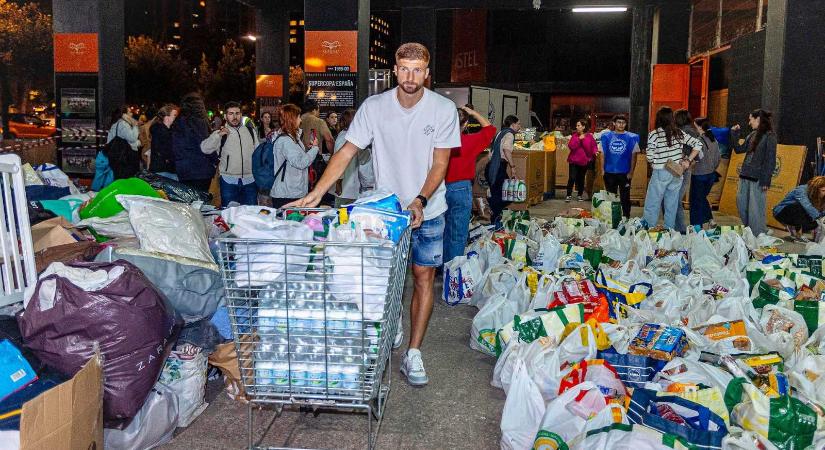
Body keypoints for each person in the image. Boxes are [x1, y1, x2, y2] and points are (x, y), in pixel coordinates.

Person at [286, 42, 461, 386]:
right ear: (396, 71)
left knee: (423, 277)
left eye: (417, 70)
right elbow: (347, 152)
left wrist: (420, 200)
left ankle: (413, 353)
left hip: (430, 208)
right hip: (386, 213)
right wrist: (316, 193)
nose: (410, 77)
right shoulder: (375, 107)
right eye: (404, 69)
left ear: (427, 73)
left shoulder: (442, 109)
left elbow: (440, 163)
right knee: (383, 279)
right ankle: (392, 320)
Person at [443, 105, 496, 263]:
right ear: (465, 124)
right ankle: (452, 268)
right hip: (461, 188)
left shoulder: (438, 142)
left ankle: (437, 267)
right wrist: (472, 112)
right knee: (457, 232)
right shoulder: (469, 141)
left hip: (437, 188)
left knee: (439, 230)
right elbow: (490, 129)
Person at [642, 106, 703, 230]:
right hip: (676, 171)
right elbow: (698, 144)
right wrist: (688, 160)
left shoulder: (654, 134)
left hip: (660, 171)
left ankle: (649, 231)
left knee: (653, 203)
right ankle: (670, 231)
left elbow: (649, 156)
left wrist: (654, 161)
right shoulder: (679, 133)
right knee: (672, 204)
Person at [201, 101, 260, 207]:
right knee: (229, 216)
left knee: (251, 216)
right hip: (228, 181)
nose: (234, 116)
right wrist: (218, 135)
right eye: (231, 113)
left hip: (250, 180)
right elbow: (205, 148)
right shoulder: (220, 133)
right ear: (225, 116)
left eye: (237, 113)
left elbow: (257, 153)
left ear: (241, 115)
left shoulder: (251, 132)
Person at [731, 109, 777, 236]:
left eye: (751, 119)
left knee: (755, 208)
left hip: (757, 178)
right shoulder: (751, 135)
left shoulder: (769, 136)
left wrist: (766, 180)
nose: (749, 122)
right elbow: (739, 149)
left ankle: (759, 233)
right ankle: (749, 231)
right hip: (745, 175)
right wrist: (735, 134)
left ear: (758, 119)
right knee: (742, 205)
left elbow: (770, 160)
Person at [269, 104, 320, 208]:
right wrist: (314, 148)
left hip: (292, 191)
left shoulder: (292, 138)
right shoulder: (286, 140)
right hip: (287, 194)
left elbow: (297, 160)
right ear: (291, 119)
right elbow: (300, 163)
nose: (300, 120)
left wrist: (309, 150)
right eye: (298, 117)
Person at [172, 92, 216, 192]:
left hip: (183, 169)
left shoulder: (177, 122)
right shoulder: (198, 121)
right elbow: (204, 145)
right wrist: (216, 160)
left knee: (188, 202)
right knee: (201, 201)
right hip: (200, 169)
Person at [330, 109, 373, 207]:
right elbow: (363, 159)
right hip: (346, 187)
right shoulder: (349, 137)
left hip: (347, 187)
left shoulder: (346, 137)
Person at [599, 114, 640, 218]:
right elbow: (602, 154)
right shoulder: (606, 137)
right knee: (611, 197)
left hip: (624, 173)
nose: (621, 125)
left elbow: (634, 156)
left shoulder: (632, 137)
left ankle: (626, 217)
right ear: (614, 123)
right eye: (619, 122)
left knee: (625, 197)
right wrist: (602, 170)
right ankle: (611, 218)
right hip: (609, 172)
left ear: (626, 124)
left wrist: (631, 172)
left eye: (623, 122)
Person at [673, 109, 705, 233]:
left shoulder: (684, 131)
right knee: (675, 199)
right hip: (686, 169)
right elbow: (699, 154)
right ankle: (678, 228)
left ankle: (679, 229)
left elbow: (697, 152)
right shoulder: (693, 131)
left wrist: (687, 159)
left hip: (680, 168)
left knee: (675, 200)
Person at [487, 115, 520, 225]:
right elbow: (506, 150)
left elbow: (491, 152)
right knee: (506, 195)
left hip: (492, 166)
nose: (519, 126)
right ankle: (494, 217)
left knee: (499, 193)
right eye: (518, 124)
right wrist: (513, 167)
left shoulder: (500, 133)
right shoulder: (510, 134)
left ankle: (494, 214)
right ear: (513, 124)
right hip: (499, 167)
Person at [688, 117, 721, 228]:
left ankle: (697, 227)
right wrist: (711, 168)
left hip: (699, 174)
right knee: (701, 197)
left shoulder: (698, 141)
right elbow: (718, 158)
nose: (695, 128)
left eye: (695, 126)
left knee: (696, 201)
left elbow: (697, 157)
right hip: (711, 175)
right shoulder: (714, 140)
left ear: (700, 127)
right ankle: (710, 219)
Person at [773, 176, 825, 242]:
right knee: (799, 206)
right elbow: (807, 205)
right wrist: (819, 217)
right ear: (815, 189)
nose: (824, 193)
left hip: (797, 214)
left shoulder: (819, 195)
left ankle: (795, 230)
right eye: (823, 190)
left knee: (815, 224)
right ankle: (795, 228)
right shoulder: (801, 190)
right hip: (781, 212)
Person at [566, 118, 597, 202]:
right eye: (576, 125)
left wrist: (595, 152)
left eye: (578, 125)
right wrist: (579, 139)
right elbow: (571, 146)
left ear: (583, 127)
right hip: (573, 161)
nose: (577, 127)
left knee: (581, 178)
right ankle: (568, 195)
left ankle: (579, 195)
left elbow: (594, 146)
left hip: (584, 161)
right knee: (572, 177)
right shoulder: (574, 136)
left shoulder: (589, 136)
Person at [149, 104, 179, 180]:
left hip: (168, 170)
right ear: (166, 117)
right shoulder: (159, 131)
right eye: (174, 115)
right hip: (162, 170)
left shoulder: (170, 131)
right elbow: (163, 150)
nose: (176, 118)